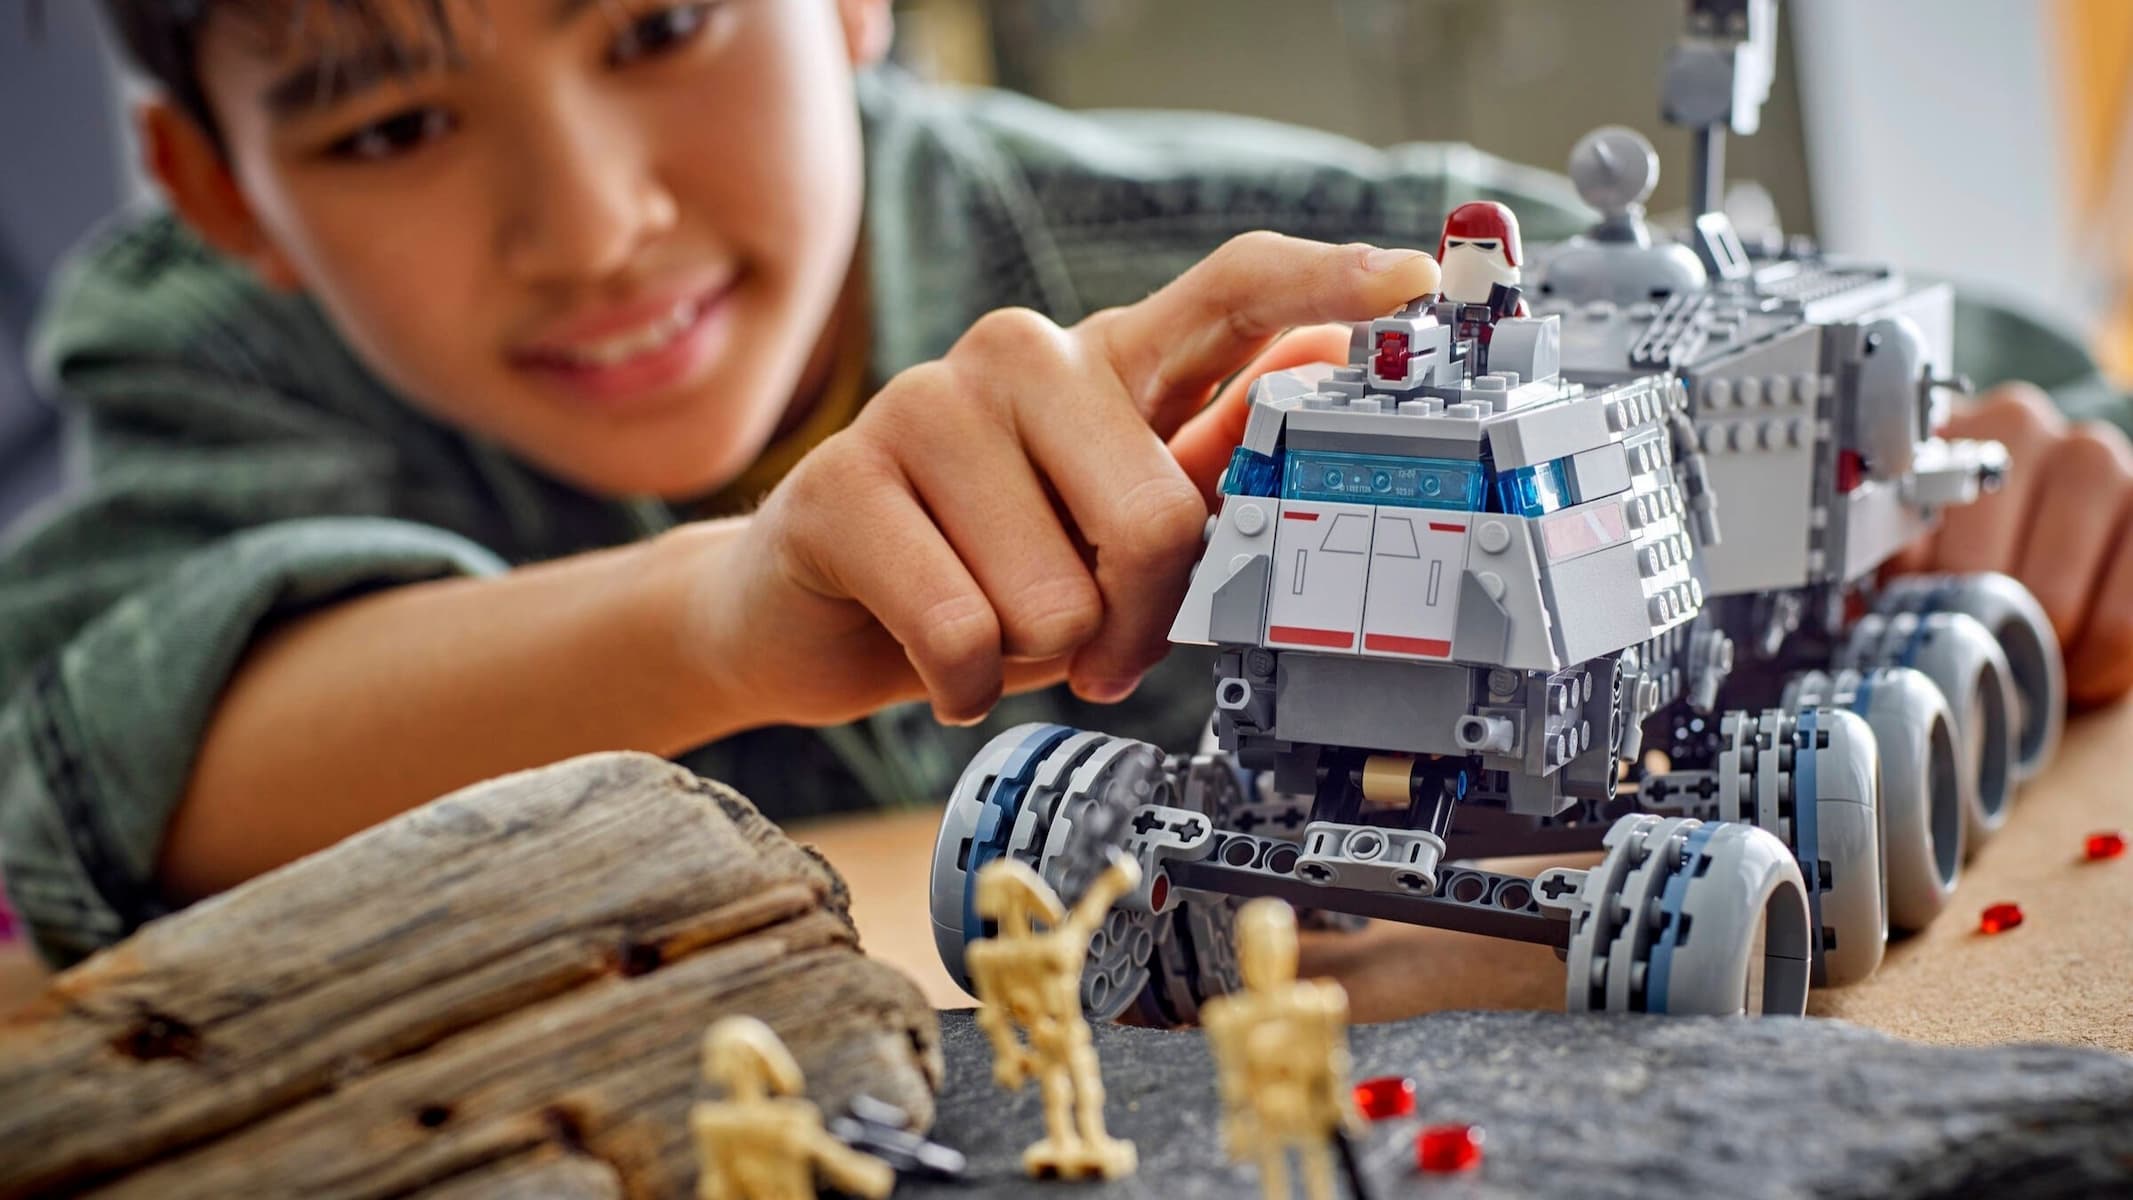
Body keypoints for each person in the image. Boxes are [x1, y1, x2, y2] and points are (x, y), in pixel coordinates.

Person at [1, 0, 2126, 969]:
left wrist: (2042, 473)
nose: (593, 228)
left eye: (653, 24)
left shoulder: (1254, 268)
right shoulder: (200, 333)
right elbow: (93, 744)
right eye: (384, 126)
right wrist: (723, 612)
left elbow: (1999, 374)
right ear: (217, 187)